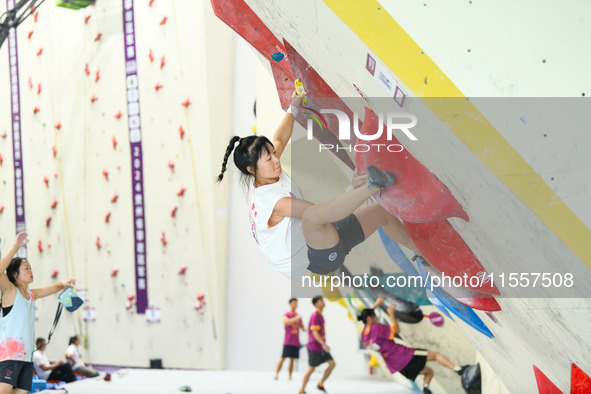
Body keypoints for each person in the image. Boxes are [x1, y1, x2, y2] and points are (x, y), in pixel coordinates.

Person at [217, 91, 421, 279]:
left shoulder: (267, 169)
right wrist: (356, 189)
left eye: (272, 153)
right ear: (252, 170)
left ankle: (421, 255)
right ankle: (374, 184)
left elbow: (279, 138)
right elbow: (318, 214)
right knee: (312, 216)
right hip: (316, 259)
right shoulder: (271, 201)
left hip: (321, 237)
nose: (275, 159)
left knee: (383, 213)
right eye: (268, 159)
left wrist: (294, 106)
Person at [0, 232, 76, 394]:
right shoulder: (10, 291)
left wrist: (63, 283)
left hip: (26, 358)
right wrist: (16, 247)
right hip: (9, 356)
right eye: (26, 268)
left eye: (31, 268)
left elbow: (52, 289)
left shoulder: (31, 295)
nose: (30, 271)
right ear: (15, 274)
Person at [358, 301, 470, 394]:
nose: (376, 318)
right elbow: (396, 330)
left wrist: (375, 306)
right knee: (435, 355)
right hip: (403, 356)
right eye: (374, 317)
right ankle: (459, 370)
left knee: (429, 372)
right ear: (369, 318)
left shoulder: (364, 335)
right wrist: (391, 313)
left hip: (397, 367)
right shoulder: (376, 328)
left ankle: (426, 389)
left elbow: (368, 321)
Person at [300, 296, 334, 394]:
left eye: (323, 300)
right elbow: (314, 332)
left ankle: (320, 384)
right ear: (316, 304)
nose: (323, 302)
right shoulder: (315, 315)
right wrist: (323, 344)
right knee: (312, 368)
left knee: (332, 364)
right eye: (321, 301)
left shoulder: (320, 315)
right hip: (314, 346)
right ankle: (302, 389)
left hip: (320, 347)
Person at [275, 298, 305, 380]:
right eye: (294, 303)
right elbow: (285, 322)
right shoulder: (287, 314)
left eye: (296, 303)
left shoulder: (298, 316)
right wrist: (295, 319)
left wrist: (304, 328)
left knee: (292, 360)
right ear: (290, 304)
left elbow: (302, 327)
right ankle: (276, 374)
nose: (295, 304)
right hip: (288, 341)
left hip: (296, 342)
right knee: (283, 358)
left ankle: (290, 376)